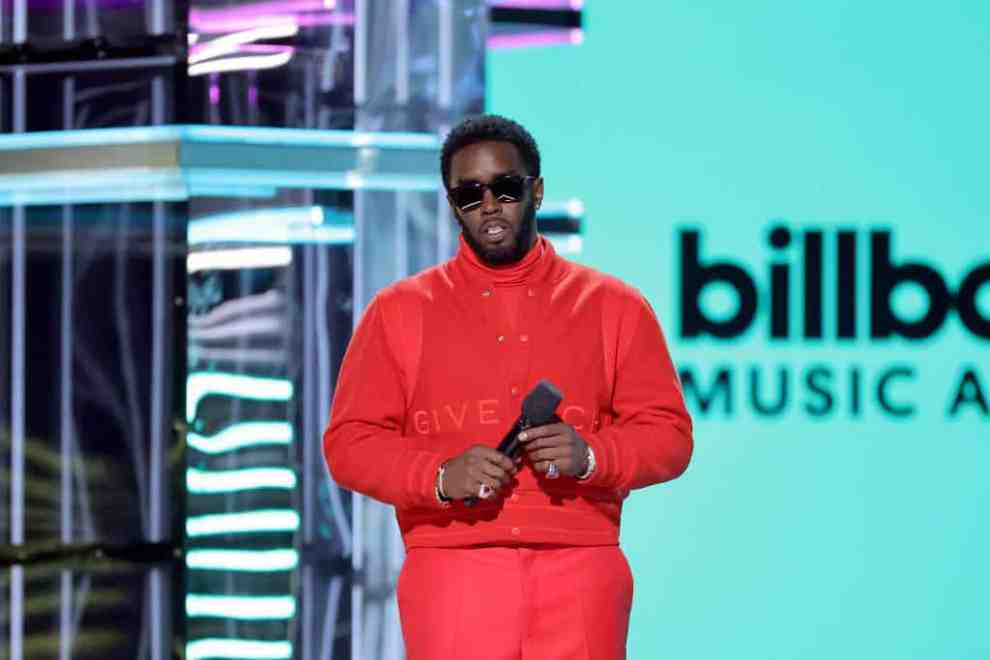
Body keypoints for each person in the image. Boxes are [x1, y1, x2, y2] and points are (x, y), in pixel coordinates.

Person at [324, 114, 693, 660]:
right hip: (452, 569)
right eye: (470, 194)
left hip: (581, 568)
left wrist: (593, 455)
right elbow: (349, 442)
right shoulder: (399, 312)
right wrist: (440, 475)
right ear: (452, 205)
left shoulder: (614, 307)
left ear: (537, 190)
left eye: (506, 187)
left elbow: (669, 435)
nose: (489, 205)